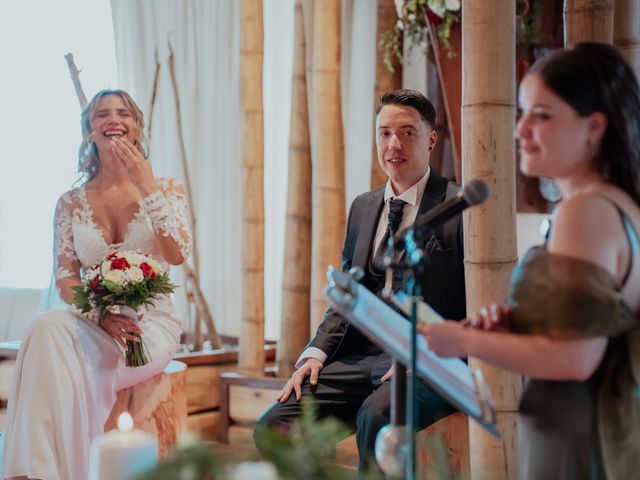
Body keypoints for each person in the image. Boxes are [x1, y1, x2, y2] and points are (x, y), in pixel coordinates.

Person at [422, 42, 640, 479]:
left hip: (577, 437)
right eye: (522, 112)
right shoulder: (613, 204)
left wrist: (460, 342)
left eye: (542, 115)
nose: (521, 129)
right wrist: (522, 321)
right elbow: (591, 325)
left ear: (594, 126)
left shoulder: (586, 211)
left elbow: (575, 357)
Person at [256, 89, 467, 473]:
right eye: (384, 133)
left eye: (407, 133)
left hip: (428, 360)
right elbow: (348, 295)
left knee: (376, 418)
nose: (393, 145)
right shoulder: (363, 206)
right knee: (274, 426)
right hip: (361, 356)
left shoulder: (458, 207)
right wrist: (315, 353)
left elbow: (475, 304)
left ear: (431, 139)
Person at [2, 89, 192, 480]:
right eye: (101, 114)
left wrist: (146, 185)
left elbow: (176, 254)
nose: (113, 119)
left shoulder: (167, 189)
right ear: (89, 131)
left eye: (123, 113)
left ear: (137, 127)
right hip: (92, 318)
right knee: (44, 327)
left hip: (148, 325)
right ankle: (36, 472)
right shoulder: (70, 202)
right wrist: (100, 312)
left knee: (64, 366)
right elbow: (66, 276)